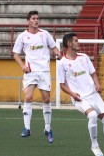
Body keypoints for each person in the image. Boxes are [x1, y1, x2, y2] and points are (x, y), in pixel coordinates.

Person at [58, 33, 104, 156]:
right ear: (69, 44)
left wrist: (97, 84)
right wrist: (72, 94)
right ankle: (95, 146)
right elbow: (62, 84)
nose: (78, 42)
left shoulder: (84, 57)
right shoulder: (62, 63)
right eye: (76, 41)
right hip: (80, 97)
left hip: (93, 95)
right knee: (92, 115)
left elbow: (93, 73)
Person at [13, 10, 62, 143]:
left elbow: (54, 48)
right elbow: (15, 54)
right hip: (30, 72)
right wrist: (22, 66)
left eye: (37, 18)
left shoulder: (44, 34)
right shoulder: (22, 36)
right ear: (28, 21)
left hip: (44, 71)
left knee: (46, 100)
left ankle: (47, 128)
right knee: (28, 97)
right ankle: (27, 128)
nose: (36, 20)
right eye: (34, 18)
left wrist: (58, 54)